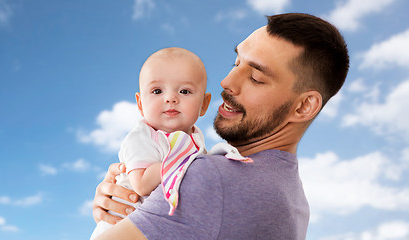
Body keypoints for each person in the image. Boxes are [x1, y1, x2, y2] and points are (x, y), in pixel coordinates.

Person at [92, 13, 349, 240]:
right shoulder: (295, 200)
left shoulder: (208, 177)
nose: (226, 82)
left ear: (304, 106)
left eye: (256, 78)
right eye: (236, 63)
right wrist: (132, 201)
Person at [90, 47, 212, 239]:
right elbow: (141, 185)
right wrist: (182, 165)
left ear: (204, 104)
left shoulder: (196, 138)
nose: (170, 98)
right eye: (157, 91)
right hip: (120, 224)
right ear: (140, 104)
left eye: (184, 91)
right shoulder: (142, 137)